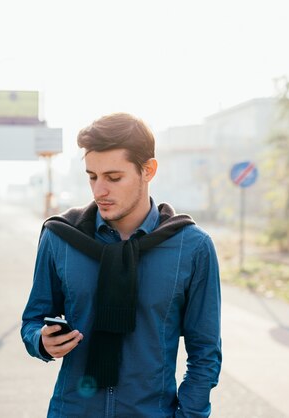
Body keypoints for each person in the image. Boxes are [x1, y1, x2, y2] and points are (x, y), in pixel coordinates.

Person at [21, 112, 221, 417]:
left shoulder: (192, 248)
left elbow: (205, 353)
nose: (99, 190)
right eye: (92, 176)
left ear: (148, 170)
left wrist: (189, 415)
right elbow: (32, 320)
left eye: (114, 178)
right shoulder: (60, 237)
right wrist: (41, 342)